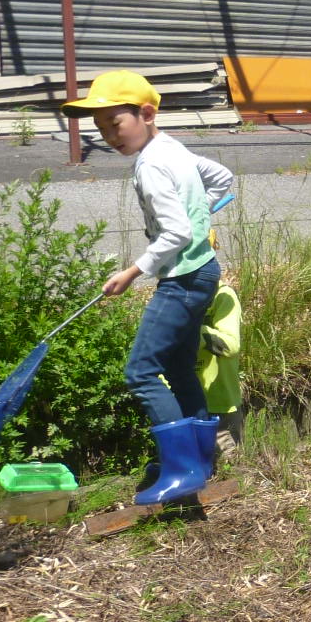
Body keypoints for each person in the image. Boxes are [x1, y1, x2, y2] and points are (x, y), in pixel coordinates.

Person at [61, 69, 233, 505]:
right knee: (178, 368)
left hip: (181, 279)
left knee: (140, 372)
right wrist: (201, 216)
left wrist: (131, 272)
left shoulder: (152, 164)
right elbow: (223, 179)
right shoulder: (172, 147)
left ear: (146, 113)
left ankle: (183, 469)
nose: (109, 135)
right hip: (204, 271)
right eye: (100, 128)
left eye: (115, 124)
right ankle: (200, 458)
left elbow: (174, 234)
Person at [198, 276, 244, 461]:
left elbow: (230, 345)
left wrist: (194, 330)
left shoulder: (222, 295)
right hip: (185, 402)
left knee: (228, 466)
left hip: (220, 403)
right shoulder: (174, 296)